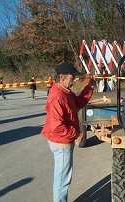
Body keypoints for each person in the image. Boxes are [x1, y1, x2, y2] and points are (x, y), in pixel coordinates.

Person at [41, 62, 96, 202]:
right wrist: (76, 133)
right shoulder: (57, 96)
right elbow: (56, 127)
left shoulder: (66, 92)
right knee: (62, 179)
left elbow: (78, 102)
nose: (74, 79)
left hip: (63, 140)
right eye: (72, 77)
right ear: (62, 77)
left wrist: (89, 87)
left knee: (63, 176)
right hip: (61, 142)